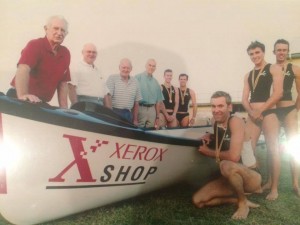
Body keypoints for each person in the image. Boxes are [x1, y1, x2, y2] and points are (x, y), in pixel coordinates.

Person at [193, 91, 262, 220]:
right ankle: (236, 199)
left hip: (250, 175)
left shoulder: (235, 121)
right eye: (213, 106)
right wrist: (211, 136)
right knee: (198, 200)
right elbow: (225, 138)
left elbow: (234, 157)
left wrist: (208, 151)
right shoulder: (216, 122)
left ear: (229, 107)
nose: (216, 110)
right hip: (231, 177)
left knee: (226, 164)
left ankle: (243, 203)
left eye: (220, 106)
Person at [242, 41, 283, 200]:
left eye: (257, 53)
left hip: (269, 113)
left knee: (273, 150)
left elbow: (278, 93)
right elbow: (244, 99)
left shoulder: (274, 68)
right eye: (251, 54)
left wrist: (261, 110)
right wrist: (252, 112)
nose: (255, 56)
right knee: (247, 150)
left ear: (263, 52)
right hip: (253, 114)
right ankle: (255, 184)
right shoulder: (248, 75)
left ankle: (274, 188)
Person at [7, 15, 70, 108]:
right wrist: (23, 95)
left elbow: (63, 84)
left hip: (39, 102)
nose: (59, 33)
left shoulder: (65, 53)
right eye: (56, 28)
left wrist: (65, 110)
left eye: (63, 30)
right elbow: (23, 69)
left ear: (66, 33)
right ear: (46, 29)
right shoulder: (35, 45)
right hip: (19, 97)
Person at [268, 39, 300, 197]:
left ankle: (296, 183)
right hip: (273, 111)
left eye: (284, 50)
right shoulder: (269, 69)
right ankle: (270, 181)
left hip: (288, 110)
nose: (281, 52)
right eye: (278, 50)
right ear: (274, 52)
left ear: (288, 51)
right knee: (271, 147)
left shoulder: (295, 69)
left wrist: (295, 109)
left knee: (293, 147)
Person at [106, 58, 142, 125]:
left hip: (128, 114)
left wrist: (135, 120)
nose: (126, 70)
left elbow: (136, 103)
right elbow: (108, 97)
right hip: (114, 112)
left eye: (128, 68)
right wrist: (110, 115)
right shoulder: (112, 78)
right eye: (123, 67)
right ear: (119, 67)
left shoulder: (135, 81)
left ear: (131, 69)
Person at [135, 59, 164, 128]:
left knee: (150, 131)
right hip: (140, 108)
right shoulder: (137, 78)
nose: (151, 67)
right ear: (145, 66)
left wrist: (157, 117)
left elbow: (158, 102)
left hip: (152, 110)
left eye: (153, 66)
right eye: (149, 65)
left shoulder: (156, 82)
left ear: (155, 68)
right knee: (138, 131)